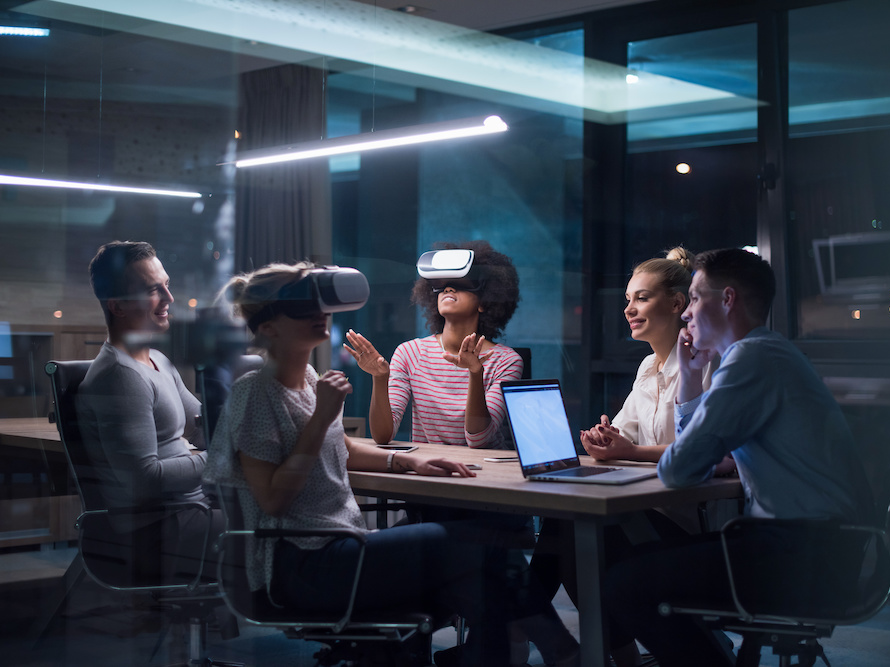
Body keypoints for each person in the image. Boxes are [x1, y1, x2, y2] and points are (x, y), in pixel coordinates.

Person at [202, 262, 578, 667]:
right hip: (301, 566)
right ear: (269, 329)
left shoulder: (309, 380)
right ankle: (565, 653)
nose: (319, 314)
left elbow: (343, 447)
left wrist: (409, 462)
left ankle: (528, 655)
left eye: (318, 305)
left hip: (344, 545)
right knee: (476, 548)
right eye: (301, 309)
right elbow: (273, 501)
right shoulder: (254, 393)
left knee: (481, 581)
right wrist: (321, 417)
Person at [604, 248, 876, 666]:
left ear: (727, 299)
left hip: (805, 554)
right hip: (818, 545)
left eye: (695, 298)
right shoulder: (763, 353)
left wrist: (688, 394)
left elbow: (679, 469)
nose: (687, 312)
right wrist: (692, 377)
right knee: (630, 565)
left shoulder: (751, 359)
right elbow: (693, 456)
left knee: (624, 583)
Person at [528, 247, 728, 667]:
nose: (628, 309)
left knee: (572, 536)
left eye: (641, 298)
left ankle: (526, 625)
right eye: (627, 300)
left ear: (676, 304)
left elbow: (698, 450)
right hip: (641, 510)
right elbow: (625, 436)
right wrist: (604, 439)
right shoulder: (646, 369)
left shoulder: (706, 364)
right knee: (566, 528)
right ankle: (547, 631)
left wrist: (629, 450)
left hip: (686, 522)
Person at [76, 240, 222, 585]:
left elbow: (208, 426)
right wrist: (216, 455)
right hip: (161, 531)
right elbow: (144, 479)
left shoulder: (157, 360)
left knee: (289, 510)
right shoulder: (120, 376)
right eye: (153, 291)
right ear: (118, 307)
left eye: (166, 285)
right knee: (284, 526)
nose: (169, 299)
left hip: (192, 511)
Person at [344, 240, 522, 449]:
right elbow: (383, 435)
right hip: (429, 471)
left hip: (486, 474)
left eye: (461, 284)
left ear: (484, 302)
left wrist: (475, 373)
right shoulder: (410, 353)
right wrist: (380, 378)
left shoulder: (506, 361)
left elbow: (478, 440)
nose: (448, 288)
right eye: (441, 284)